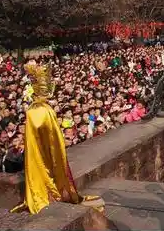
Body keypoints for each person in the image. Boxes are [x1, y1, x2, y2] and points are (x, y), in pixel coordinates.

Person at [11, 63, 101, 214]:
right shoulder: (42, 111)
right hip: (44, 152)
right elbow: (52, 138)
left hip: (40, 153)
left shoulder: (35, 110)